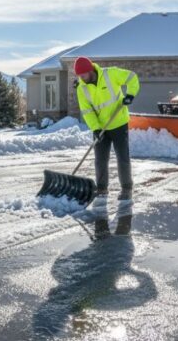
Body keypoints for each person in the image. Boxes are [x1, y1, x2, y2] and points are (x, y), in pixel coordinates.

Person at [74, 56, 139, 237]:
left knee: (122, 157)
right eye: (79, 75)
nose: (82, 78)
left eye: (83, 74)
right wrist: (96, 128)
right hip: (100, 127)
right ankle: (102, 188)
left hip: (118, 122)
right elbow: (86, 110)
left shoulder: (110, 74)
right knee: (100, 159)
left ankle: (126, 188)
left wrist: (130, 94)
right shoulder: (82, 88)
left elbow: (132, 77)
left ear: (90, 70)